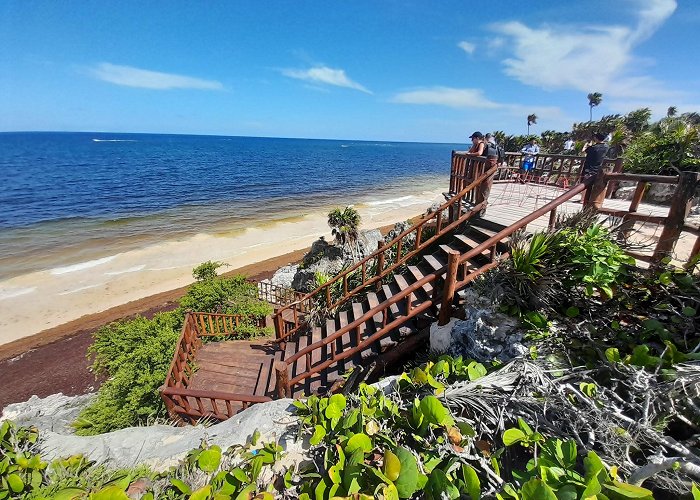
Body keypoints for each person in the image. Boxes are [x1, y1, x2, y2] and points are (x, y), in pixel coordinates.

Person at [581, 132, 610, 205]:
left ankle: (583, 200)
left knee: (585, 184)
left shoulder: (593, 147)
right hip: (599, 169)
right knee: (597, 185)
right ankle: (595, 201)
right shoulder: (606, 147)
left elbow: (583, 152)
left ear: (596, 138)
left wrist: (586, 145)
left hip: (589, 168)